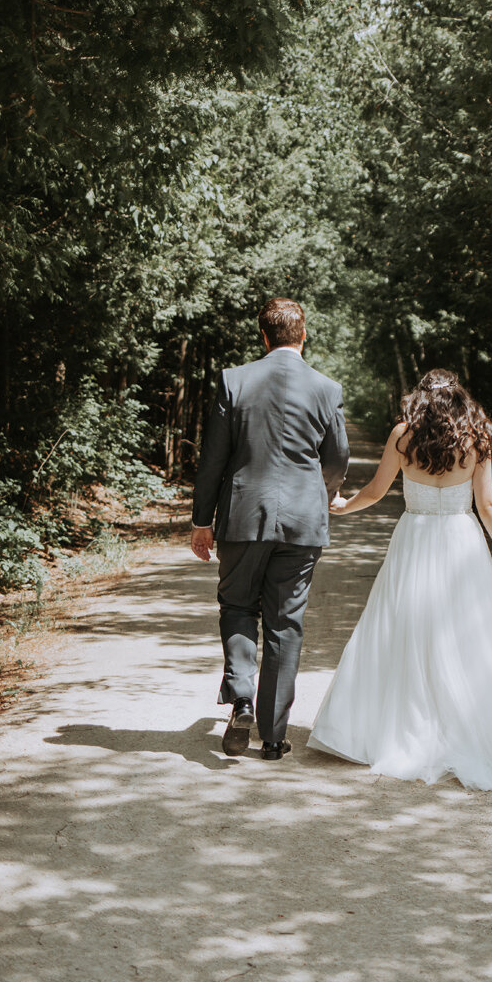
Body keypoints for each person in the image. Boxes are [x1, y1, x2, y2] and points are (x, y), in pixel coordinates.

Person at [307, 369, 492, 791]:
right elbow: (489, 504)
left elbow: (374, 491)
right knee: (468, 637)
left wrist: (341, 507)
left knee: (404, 630)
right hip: (462, 541)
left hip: (416, 537)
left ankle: (403, 727)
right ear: (460, 397)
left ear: (421, 398)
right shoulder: (477, 436)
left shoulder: (403, 436)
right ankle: (469, 728)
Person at [190, 297, 349, 762]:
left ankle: (240, 697)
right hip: (303, 522)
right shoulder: (326, 388)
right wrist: (325, 493)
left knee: (238, 604)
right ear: (304, 336)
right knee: (286, 623)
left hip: (242, 516)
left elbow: (213, 459)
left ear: (263, 337)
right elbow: (336, 458)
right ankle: (273, 737)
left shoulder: (234, 380)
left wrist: (203, 521)